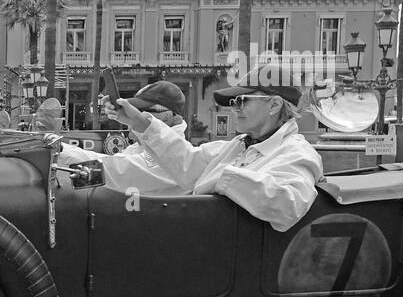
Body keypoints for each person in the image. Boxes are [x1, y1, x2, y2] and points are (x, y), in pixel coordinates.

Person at [107, 79, 323, 232]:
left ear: (274, 105)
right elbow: (188, 162)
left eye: (242, 101)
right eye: (233, 102)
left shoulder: (296, 152)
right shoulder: (240, 144)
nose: (234, 109)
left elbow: (288, 206)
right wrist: (142, 123)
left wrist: (223, 178)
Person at [57, 80, 189, 195]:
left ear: (165, 117)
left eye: (140, 111)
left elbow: (117, 171)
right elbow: (112, 163)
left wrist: (59, 149)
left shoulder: (173, 154)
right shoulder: (141, 146)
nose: (132, 114)